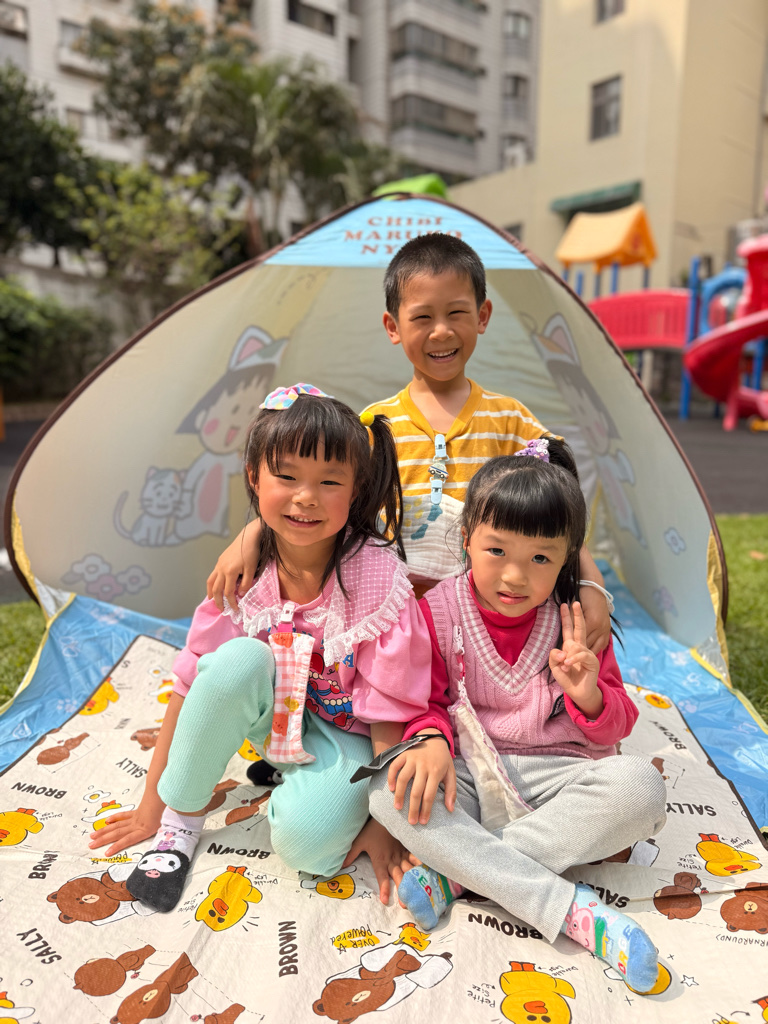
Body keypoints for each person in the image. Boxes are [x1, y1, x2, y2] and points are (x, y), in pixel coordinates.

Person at [89, 384, 437, 912]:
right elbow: (191, 686)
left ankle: (294, 779)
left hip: (349, 737)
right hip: (274, 716)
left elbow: (389, 716)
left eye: (329, 481)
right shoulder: (244, 574)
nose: (306, 497)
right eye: (287, 477)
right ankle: (183, 825)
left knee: (310, 847)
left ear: (356, 490)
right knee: (237, 661)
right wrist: (154, 807)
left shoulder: (375, 583)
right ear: (254, 477)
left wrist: (383, 821)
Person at [206, 234, 612, 653]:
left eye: (457, 312)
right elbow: (317, 497)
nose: (441, 331)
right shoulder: (373, 426)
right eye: (422, 317)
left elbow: (556, 513)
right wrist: (252, 534)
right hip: (390, 622)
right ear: (393, 327)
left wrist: (591, 582)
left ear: (482, 316)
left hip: (481, 624)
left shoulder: (512, 421)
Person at [368, 439, 667, 995]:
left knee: (641, 788)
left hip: (559, 778)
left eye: (540, 559)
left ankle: (459, 874)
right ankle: (575, 912)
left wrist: (587, 696)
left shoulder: (575, 620)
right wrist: (430, 738)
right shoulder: (437, 610)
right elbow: (420, 701)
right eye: (496, 550)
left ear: (566, 558)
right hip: (469, 773)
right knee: (388, 792)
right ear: (466, 539)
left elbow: (617, 725)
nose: (514, 576)